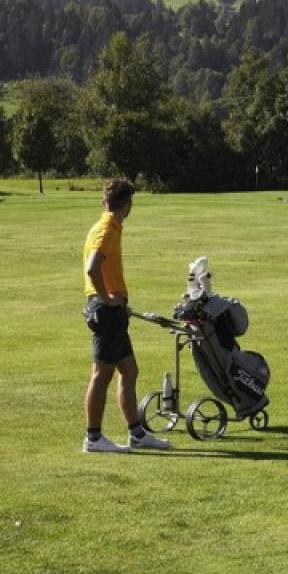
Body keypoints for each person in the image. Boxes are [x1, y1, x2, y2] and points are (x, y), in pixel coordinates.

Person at [81, 178, 171, 453]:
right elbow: (93, 268)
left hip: (111, 311)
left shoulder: (105, 226)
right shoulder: (107, 230)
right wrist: (107, 299)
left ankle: (136, 433)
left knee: (129, 370)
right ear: (128, 205)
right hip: (105, 311)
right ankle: (93, 438)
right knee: (101, 374)